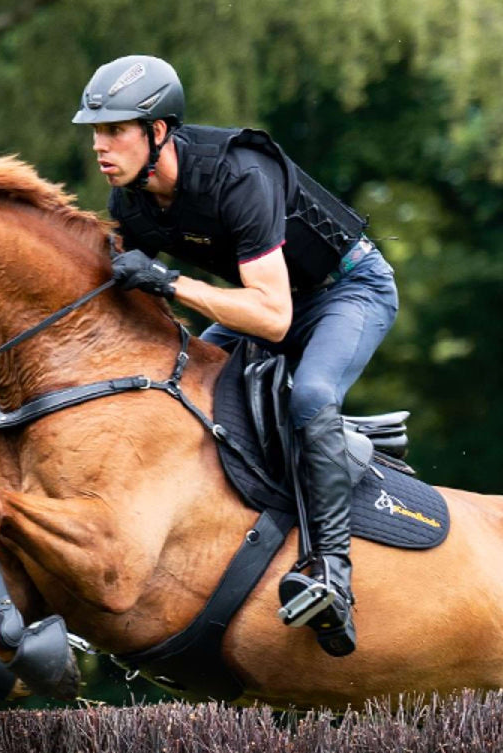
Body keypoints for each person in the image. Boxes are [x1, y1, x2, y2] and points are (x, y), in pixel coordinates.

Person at [73, 55, 398, 657]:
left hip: (346, 293)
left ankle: (331, 573)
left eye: (114, 129)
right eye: (95, 131)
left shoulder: (239, 175)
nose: (100, 145)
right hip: (265, 308)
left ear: (159, 131)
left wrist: (170, 284)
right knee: (181, 382)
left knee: (310, 396)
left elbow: (273, 318)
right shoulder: (132, 202)